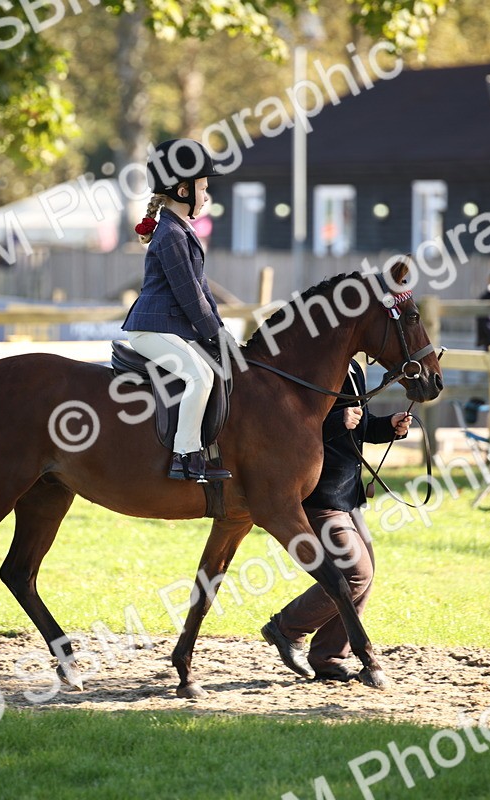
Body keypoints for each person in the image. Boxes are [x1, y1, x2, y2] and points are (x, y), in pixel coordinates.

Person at [260, 360, 412, 682]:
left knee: (363, 578)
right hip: (319, 496)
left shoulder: (354, 369)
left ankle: (327, 658)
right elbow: (289, 427)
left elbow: (362, 426)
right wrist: (335, 421)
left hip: (347, 496)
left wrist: (390, 426)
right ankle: (286, 628)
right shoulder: (312, 365)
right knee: (355, 572)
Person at [122, 139, 231, 483]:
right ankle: (185, 457)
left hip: (168, 327)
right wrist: (214, 332)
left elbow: (202, 290)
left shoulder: (180, 229)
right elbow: (187, 294)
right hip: (151, 328)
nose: (206, 196)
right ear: (183, 189)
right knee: (200, 377)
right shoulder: (170, 233)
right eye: (203, 188)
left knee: (214, 369)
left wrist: (220, 330)